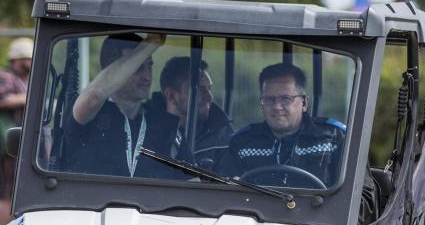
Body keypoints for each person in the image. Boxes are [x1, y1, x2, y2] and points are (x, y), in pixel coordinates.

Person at [60, 33, 190, 179]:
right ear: (112, 69)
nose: (147, 77)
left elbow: (192, 186)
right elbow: (94, 96)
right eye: (137, 68)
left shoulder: (166, 126)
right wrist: (151, 43)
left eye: (149, 67)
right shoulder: (88, 115)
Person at [215, 63, 345, 187]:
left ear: (304, 103)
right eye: (269, 99)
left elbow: (358, 194)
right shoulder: (241, 143)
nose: (277, 106)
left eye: (285, 99)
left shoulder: (333, 138)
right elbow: (223, 192)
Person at [151, 56, 234, 170]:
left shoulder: (223, 136)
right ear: (171, 96)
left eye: (209, 88)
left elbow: (231, 182)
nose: (210, 97)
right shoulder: (144, 130)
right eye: (199, 89)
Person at [0, 37, 33, 225]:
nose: (31, 62)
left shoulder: (25, 80)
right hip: (11, 144)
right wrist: (27, 100)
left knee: (17, 192)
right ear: (19, 59)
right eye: (28, 58)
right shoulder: (6, 77)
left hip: (24, 144)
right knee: (7, 193)